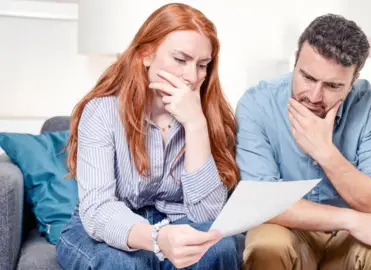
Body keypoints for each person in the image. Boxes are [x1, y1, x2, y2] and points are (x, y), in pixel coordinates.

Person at [56, 3, 241, 270]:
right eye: (180, 60)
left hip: (178, 223)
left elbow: (207, 217)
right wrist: (157, 238)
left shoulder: (209, 117)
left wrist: (196, 125)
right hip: (108, 228)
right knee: (119, 263)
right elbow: (98, 209)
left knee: (220, 248)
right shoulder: (102, 111)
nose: (192, 77)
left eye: (203, 65)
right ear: (146, 54)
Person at [236, 14, 371, 270]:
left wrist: (324, 152)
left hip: (350, 239)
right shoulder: (258, 104)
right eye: (307, 78)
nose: (314, 96)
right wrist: (351, 220)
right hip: (288, 227)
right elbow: (262, 203)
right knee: (266, 248)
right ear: (295, 60)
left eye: (332, 85)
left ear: (353, 80)